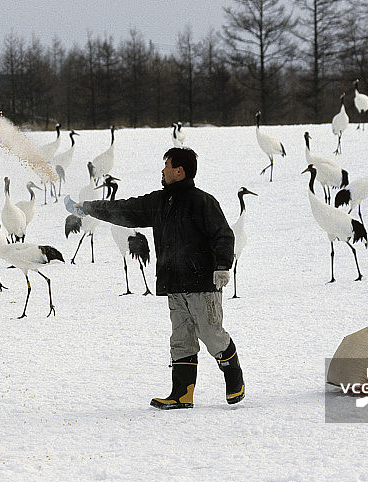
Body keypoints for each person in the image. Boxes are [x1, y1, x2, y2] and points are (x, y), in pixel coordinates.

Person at [71, 147, 244, 409]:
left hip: (202, 286)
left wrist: (222, 266)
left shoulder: (203, 202)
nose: (162, 170)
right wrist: (89, 208)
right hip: (174, 285)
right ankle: (181, 394)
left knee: (212, 335)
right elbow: (124, 210)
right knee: (181, 340)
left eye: (166, 165)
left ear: (179, 171)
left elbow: (223, 235)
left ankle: (234, 377)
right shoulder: (159, 202)